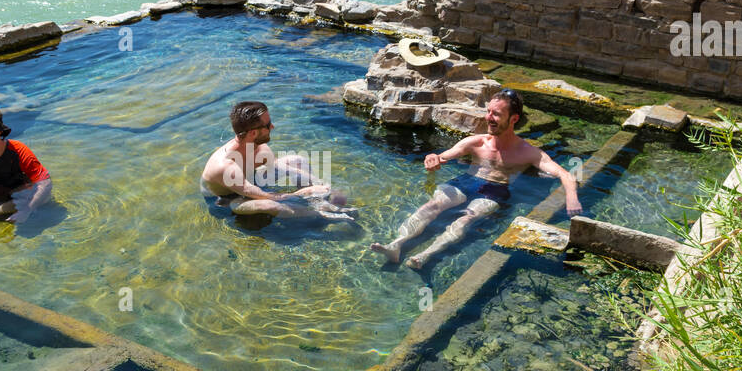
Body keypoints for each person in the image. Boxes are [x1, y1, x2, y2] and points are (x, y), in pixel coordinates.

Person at [371, 88, 582, 269]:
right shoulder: (476, 142)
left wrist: (571, 198)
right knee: (432, 205)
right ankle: (396, 245)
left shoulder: (527, 152)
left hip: (495, 189)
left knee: (467, 217)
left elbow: (564, 174)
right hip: (466, 181)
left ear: (514, 119)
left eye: (496, 114)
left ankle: (426, 255)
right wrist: (432, 158)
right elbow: (442, 157)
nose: (489, 118)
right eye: (488, 112)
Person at [200, 100, 356, 222]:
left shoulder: (258, 146)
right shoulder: (225, 166)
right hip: (226, 200)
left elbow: (280, 168)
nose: (273, 126)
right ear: (254, 133)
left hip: (249, 182)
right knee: (268, 205)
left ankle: (319, 201)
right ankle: (318, 215)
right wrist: (302, 194)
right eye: (268, 125)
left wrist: (318, 184)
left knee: (297, 160)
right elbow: (260, 196)